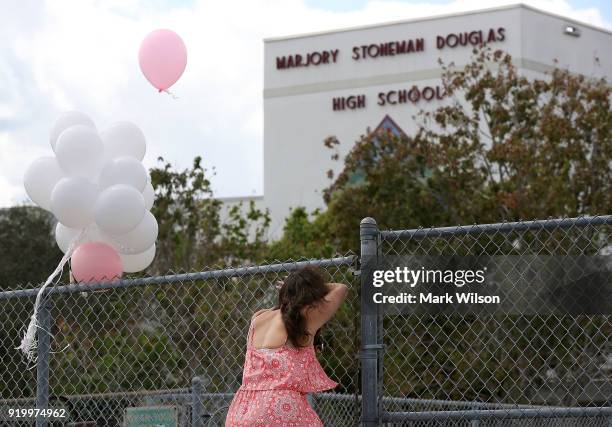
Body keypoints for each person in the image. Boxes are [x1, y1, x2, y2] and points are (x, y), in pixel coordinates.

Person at [225, 265, 349, 426]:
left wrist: (290, 287)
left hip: (243, 409)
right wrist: (310, 288)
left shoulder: (259, 317)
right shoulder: (304, 318)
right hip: (279, 409)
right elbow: (341, 288)